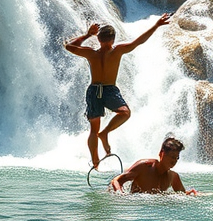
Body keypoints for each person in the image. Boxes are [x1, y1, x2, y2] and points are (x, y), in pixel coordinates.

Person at [64, 14, 172, 169]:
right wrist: (156, 25)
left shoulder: (90, 52)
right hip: (107, 90)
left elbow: (68, 46)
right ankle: (101, 145)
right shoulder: (117, 50)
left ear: (98, 39)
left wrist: (88, 34)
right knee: (124, 113)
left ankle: (97, 153)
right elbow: (139, 41)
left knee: (95, 129)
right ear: (113, 39)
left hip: (95, 90)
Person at [108, 136, 197, 195]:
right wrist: (120, 194)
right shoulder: (144, 166)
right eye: (172, 157)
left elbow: (182, 194)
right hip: (136, 211)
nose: (174, 161)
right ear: (161, 153)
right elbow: (116, 181)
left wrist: (192, 194)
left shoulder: (173, 177)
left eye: (176, 158)